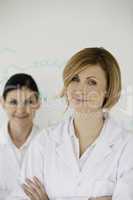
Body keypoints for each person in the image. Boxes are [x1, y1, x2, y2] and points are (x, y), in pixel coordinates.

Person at [10, 48, 133, 200]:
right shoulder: (44, 142)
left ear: (108, 90)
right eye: (75, 79)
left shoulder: (127, 147)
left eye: (91, 82)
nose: (80, 89)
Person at [0, 73, 41, 199]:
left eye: (29, 102)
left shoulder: (51, 144)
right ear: (2, 102)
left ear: (38, 103)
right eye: (13, 102)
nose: (21, 109)